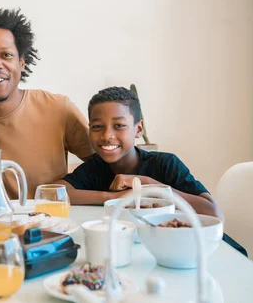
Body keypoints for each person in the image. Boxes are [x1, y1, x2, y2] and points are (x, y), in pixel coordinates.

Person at [0, 8, 94, 199]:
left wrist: (67, 187)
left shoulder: (57, 108)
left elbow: (102, 163)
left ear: (22, 62)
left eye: (6, 55)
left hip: (51, 222)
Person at [55, 86, 222, 218]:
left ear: (139, 129)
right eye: (97, 127)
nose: (107, 136)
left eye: (119, 126)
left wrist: (148, 185)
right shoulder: (94, 169)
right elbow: (53, 193)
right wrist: (113, 198)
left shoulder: (165, 164)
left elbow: (212, 212)